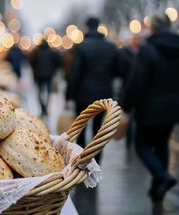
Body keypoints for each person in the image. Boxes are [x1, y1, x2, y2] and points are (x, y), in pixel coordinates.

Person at [123, 13, 179, 205]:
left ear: (153, 28)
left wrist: (126, 106)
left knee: (142, 146)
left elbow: (137, 80)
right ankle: (158, 188)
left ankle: (162, 176)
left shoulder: (148, 49)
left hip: (150, 108)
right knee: (162, 144)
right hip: (173, 108)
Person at [66, 17, 123, 164]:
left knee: (82, 127)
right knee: (99, 130)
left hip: (83, 94)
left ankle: (82, 161)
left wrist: (69, 96)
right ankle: (96, 161)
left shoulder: (81, 47)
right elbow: (118, 70)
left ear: (86, 27)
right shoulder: (111, 47)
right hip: (104, 94)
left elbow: (75, 74)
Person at [29, 40, 60, 117]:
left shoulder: (37, 51)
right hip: (49, 75)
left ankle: (43, 108)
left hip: (38, 75)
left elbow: (31, 62)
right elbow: (57, 62)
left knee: (39, 92)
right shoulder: (51, 52)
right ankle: (46, 107)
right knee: (48, 92)